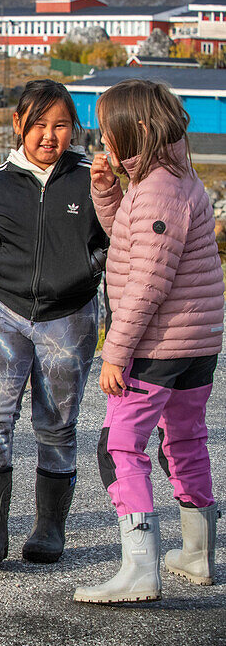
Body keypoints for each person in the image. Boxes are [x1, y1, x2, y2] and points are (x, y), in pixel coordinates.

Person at [73, 79, 224, 604]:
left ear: (135, 129)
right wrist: (108, 191)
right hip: (197, 342)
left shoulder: (158, 187)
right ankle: (196, 553)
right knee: (183, 439)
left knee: (118, 447)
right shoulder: (171, 176)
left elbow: (146, 280)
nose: (102, 141)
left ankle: (140, 569)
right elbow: (133, 238)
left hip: (158, 345)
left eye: (107, 131)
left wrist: (116, 351)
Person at [0, 80, 107, 565]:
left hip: (70, 319)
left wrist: (92, 270)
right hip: (4, 314)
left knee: (57, 425)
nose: (48, 135)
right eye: (38, 124)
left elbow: (119, 245)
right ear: (19, 125)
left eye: (60, 125)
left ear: (73, 129)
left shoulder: (91, 179)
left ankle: (48, 530)